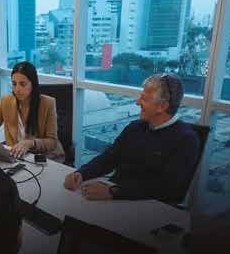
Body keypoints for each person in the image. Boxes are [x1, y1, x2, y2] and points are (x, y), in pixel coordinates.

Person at [63, 73, 200, 203]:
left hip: (148, 206)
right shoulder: (135, 127)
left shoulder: (186, 140)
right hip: (116, 196)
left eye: (144, 99)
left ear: (162, 106)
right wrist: (81, 174)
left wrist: (113, 192)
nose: (137, 102)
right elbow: (109, 158)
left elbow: (166, 188)